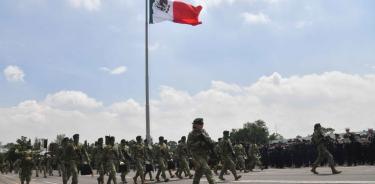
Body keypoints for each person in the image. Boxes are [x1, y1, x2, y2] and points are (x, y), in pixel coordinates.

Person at [187, 118, 216, 184]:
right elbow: (189, 146)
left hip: (205, 154)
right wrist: (199, 143)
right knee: (207, 169)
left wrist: (205, 139)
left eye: (195, 124)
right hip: (197, 155)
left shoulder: (204, 132)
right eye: (194, 124)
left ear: (201, 125)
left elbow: (210, 141)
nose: (194, 125)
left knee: (199, 172)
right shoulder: (191, 134)